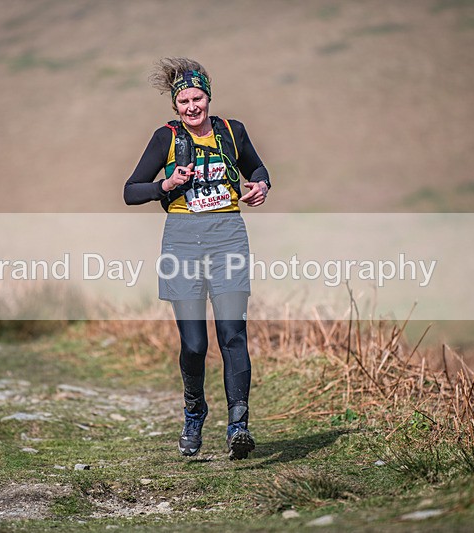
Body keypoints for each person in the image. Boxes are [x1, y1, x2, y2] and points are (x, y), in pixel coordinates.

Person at [123, 57, 270, 460]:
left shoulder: (232, 132)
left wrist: (260, 186)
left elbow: (257, 168)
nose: (192, 107)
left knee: (232, 334)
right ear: (176, 105)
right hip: (182, 242)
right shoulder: (165, 138)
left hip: (228, 238)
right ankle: (194, 413)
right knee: (194, 343)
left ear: (208, 98)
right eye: (184, 101)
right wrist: (166, 184)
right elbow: (131, 191)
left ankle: (238, 426)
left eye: (198, 99)